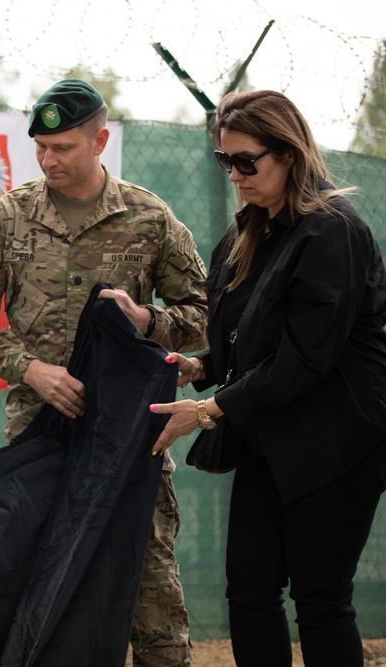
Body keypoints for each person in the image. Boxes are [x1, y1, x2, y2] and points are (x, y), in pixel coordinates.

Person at [0, 79, 209, 666]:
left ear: (100, 141)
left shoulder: (149, 218)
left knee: (151, 595)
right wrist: (29, 368)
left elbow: (205, 317)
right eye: (40, 146)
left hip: (129, 444)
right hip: (41, 441)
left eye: (63, 147)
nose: (48, 159)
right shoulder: (8, 218)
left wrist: (149, 321)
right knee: (44, 590)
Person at [151, 89, 386, 667]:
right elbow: (248, 341)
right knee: (250, 594)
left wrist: (206, 412)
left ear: (290, 154)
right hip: (270, 436)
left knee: (320, 600)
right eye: (224, 160)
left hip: (338, 444)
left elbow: (307, 357)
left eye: (246, 161)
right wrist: (200, 366)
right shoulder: (247, 234)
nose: (234, 174)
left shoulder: (332, 231)